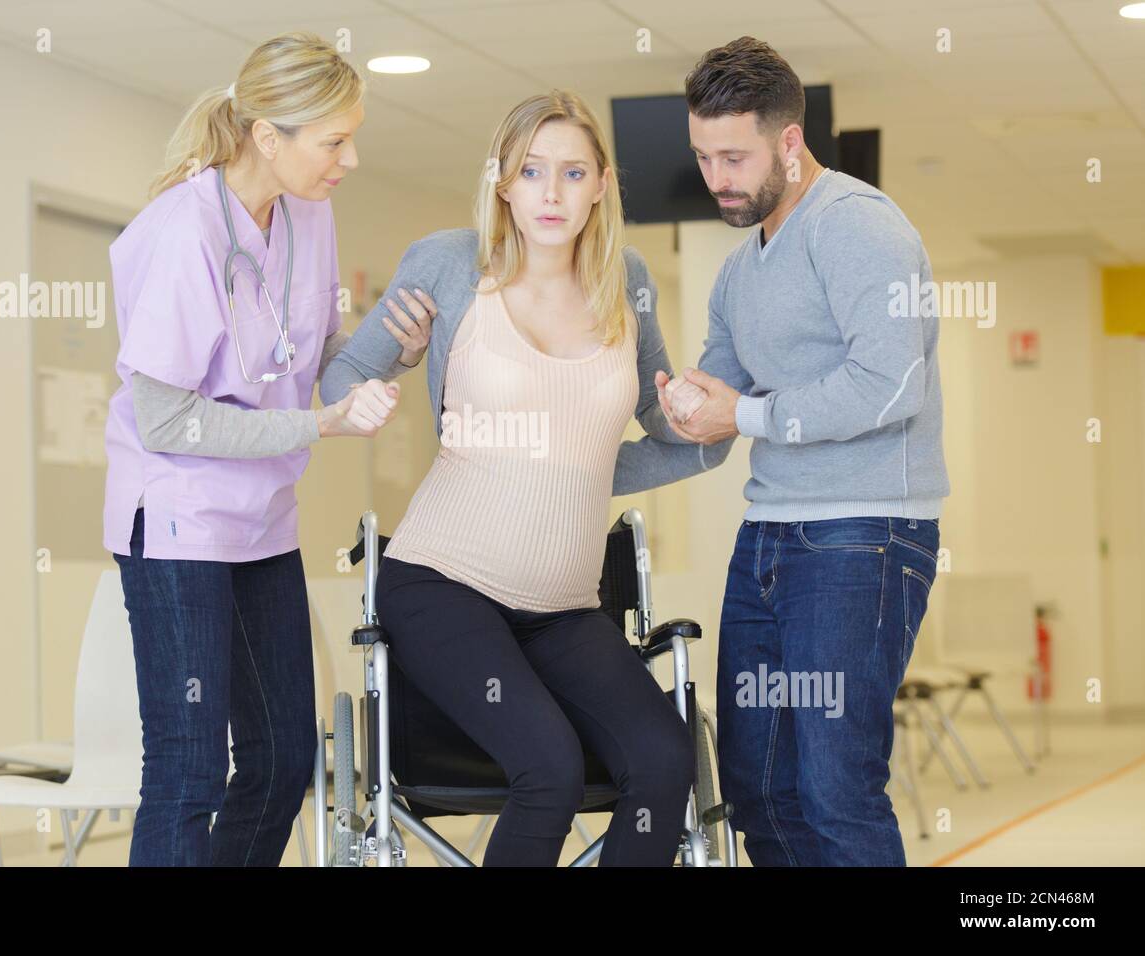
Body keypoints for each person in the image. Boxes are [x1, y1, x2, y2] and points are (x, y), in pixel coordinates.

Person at [321, 92, 729, 866]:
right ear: (502, 181)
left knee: (664, 759)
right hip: (443, 585)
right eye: (532, 171)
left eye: (573, 173)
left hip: (565, 609)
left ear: (601, 184)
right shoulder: (448, 262)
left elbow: (655, 425)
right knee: (550, 769)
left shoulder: (627, 280)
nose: (551, 193)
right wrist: (389, 372)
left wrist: (709, 425)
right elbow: (342, 375)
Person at [101, 32, 435, 866]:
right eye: (334, 141)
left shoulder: (308, 213)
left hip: (261, 520)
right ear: (266, 136)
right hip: (178, 521)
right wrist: (320, 425)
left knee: (285, 757)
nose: (350, 160)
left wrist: (392, 353)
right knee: (188, 768)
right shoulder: (182, 232)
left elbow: (307, 351)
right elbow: (167, 420)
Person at [659, 36, 949, 866]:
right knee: (758, 788)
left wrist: (745, 415)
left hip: (863, 536)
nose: (717, 178)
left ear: (789, 141)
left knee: (834, 787)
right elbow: (715, 410)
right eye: (704, 157)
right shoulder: (738, 271)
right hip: (769, 540)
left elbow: (891, 386)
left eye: (735, 157)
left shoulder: (856, 225)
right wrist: (663, 413)